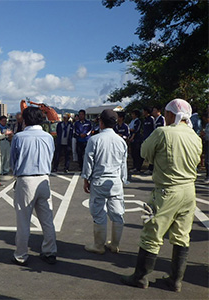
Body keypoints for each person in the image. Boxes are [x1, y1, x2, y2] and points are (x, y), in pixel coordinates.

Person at [121, 99, 202, 292]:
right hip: (189, 191)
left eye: (166, 113)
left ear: (171, 115)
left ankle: (140, 277)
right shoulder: (195, 136)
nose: (165, 117)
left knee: (152, 233)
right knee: (182, 236)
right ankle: (175, 280)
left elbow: (144, 152)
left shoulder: (163, 133)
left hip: (166, 191)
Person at [10, 107, 57, 265]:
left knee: (23, 220)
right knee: (47, 219)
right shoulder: (48, 137)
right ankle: (50, 251)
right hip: (44, 178)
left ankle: (21, 254)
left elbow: (13, 161)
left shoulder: (19, 137)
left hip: (26, 180)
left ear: (25, 119)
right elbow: (51, 156)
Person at [82, 109, 128, 254]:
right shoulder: (121, 141)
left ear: (101, 122)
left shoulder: (94, 140)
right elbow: (123, 164)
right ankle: (114, 244)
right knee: (117, 212)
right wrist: (123, 180)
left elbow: (88, 162)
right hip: (116, 182)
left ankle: (99, 245)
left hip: (99, 180)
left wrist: (86, 179)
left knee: (99, 213)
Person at [142, 107, 155, 175]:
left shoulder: (152, 119)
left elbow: (154, 128)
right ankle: (149, 168)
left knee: (151, 154)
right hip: (145, 138)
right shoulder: (145, 120)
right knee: (148, 154)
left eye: (143, 111)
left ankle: (151, 168)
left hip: (151, 139)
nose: (143, 112)